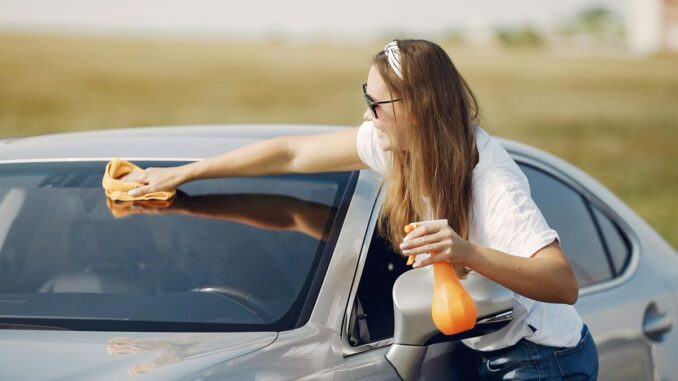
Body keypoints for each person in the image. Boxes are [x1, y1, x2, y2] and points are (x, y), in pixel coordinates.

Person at [121, 39, 599, 380]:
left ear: (419, 107)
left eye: (378, 103)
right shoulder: (392, 144)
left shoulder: (489, 179)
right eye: (365, 97)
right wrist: (182, 174)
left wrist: (464, 251)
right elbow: (290, 154)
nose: (367, 114)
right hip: (479, 351)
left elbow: (562, 282)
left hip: (540, 361)